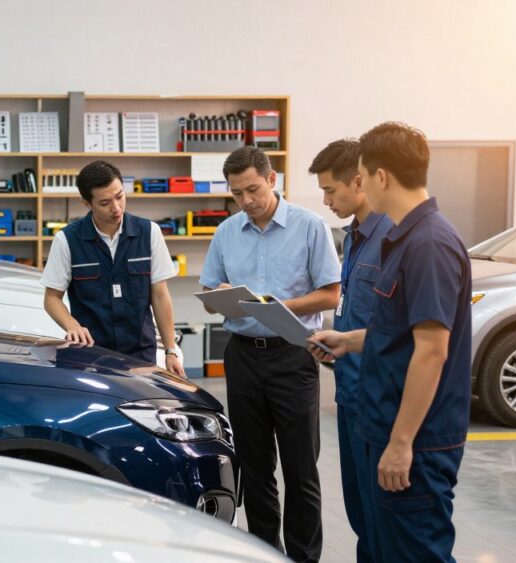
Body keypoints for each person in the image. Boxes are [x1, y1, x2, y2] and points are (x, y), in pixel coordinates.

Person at [309, 122, 472, 563]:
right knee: (382, 548)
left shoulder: (430, 244)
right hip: (383, 420)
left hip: (416, 439)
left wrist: (400, 444)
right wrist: (349, 341)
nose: (358, 184)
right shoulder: (406, 239)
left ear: (380, 177)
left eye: (362, 174)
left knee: (414, 553)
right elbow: (399, 331)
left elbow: (432, 351)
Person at [200, 146, 340, 562]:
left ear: (273, 179)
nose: (246, 201)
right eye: (237, 193)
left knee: (300, 471)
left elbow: (331, 293)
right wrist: (218, 297)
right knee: (255, 469)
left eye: (253, 189)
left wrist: (277, 306)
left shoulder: (309, 226)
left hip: (293, 356)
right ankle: (264, 553)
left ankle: (302, 557)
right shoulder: (227, 232)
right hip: (242, 356)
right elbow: (208, 296)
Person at [310, 138, 393, 562]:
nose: (325, 200)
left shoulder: (392, 239)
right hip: (350, 393)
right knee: (361, 516)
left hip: (379, 403)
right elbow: (355, 310)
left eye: (331, 190)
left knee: (383, 523)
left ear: (359, 181)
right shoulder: (354, 238)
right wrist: (337, 346)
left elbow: (405, 333)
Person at [41, 160, 184, 376]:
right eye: (105, 202)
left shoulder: (149, 233)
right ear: (87, 203)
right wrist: (72, 325)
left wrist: (170, 350)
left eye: (120, 196)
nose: (116, 208)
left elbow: (160, 295)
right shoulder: (66, 240)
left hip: (140, 356)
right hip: (89, 356)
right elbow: (51, 297)